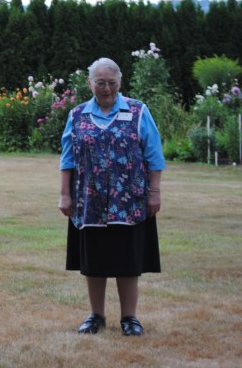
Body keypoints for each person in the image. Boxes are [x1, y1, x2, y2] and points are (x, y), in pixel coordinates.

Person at [58, 57, 165, 336]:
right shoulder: (77, 115)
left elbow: (154, 156)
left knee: (128, 260)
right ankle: (96, 316)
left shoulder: (138, 111)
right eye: (100, 83)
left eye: (112, 83)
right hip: (89, 201)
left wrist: (154, 192)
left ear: (120, 82)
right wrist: (64, 195)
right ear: (90, 83)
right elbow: (67, 159)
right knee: (94, 260)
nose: (106, 88)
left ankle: (130, 318)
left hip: (129, 201)